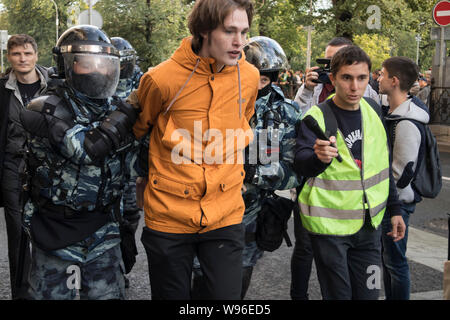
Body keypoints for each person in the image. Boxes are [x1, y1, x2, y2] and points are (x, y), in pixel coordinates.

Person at [133, 0, 259, 300]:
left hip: (225, 212)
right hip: (169, 215)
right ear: (203, 30)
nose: (239, 42)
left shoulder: (250, 77)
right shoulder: (160, 80)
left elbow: (245, 118)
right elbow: (139, 130)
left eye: (244, 32)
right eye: (229, 31)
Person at [19, 25, 138, 300]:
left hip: (104, 233)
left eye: (104, 64)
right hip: (55, 235)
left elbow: (133, 166)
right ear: (66, 66)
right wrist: (129, 111)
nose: (98, 71)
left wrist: (129, 223)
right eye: (87, 64)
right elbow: (85, 149)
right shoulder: (45, 107)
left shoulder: (113, 107)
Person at [191, 36, 301, 299]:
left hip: (249, 217)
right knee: (199, 286)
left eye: (265, 77)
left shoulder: (285, 113)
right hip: (206, 213)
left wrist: (254, 173)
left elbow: (294, 172)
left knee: (233, 289)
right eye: (252, 75)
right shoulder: (213, 101)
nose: (258, 82)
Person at [294, 45, 406, 300]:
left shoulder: (374, 110)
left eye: (362, 78)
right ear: (332, 79)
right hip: (330, 230)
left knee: (369, 293)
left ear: (370, 78)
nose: (354, 87)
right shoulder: (316, 116)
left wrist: (395, 209)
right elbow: (300, 163)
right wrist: (317, 158)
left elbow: (382, 165)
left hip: (370, 228)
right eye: (346, 78)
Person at [0, 34, 50, 299]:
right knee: (19, 235)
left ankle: (49, 289)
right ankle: (22, 295)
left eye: (27, 53)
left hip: (49, 168)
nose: (23, 59)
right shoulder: (2, 89)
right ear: (9, 57)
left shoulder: (54, 86)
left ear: (36, 55)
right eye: (17, 54)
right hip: (13, 168)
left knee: (49, 229)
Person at [377, 57, 429, 300]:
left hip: (397, 204)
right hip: (392, 203)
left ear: (394, 81)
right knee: (388, 261)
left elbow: (401, 173)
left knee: (396, 263)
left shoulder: (406, 122)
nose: (378, 78)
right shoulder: (395, 114)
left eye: (382, 74)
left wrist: (388, 201)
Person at [111, 36, 143, 285]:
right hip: (109, 163)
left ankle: (124, 259)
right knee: (109, 218)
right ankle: (114, 269)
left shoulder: (142, 83)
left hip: (133, 166)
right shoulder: (100, 80)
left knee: (130, 216)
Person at [294, 37, 380, 116]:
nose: (333, 65)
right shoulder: (312, 87)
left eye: (341, 59)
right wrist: (307, 91)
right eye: (329, 60)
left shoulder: (367, 92)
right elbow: (297, 118)